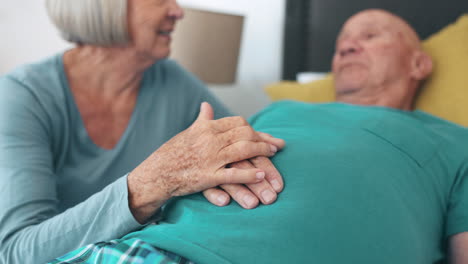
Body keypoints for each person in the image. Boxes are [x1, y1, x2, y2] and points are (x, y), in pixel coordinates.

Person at [49, 9, 468, 264]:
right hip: (147, 251)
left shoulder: (455, 142)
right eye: (341, 42)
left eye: (370, 35)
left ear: (419, 64)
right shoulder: (278, 111)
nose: (347, 47)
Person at [0, 0, 287, 263]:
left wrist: (241, 164)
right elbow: (16, 251)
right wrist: (153, 183)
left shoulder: (174, 81)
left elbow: (236, 146)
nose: (178, 11)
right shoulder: (21, 95)